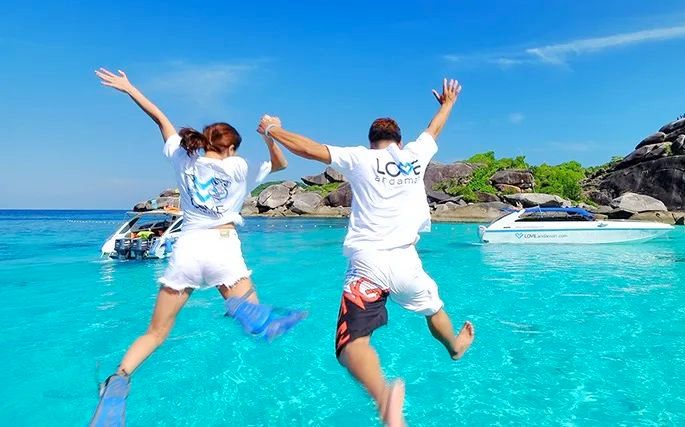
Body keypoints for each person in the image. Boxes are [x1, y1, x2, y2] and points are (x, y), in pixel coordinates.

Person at [91, 68, 303, 426]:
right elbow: (281, 164)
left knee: (156, 333)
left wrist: (129, 88)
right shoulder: (239, 167)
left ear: (205, 141)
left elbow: (160, 118)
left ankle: (118, 380)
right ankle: (246, 314)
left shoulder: (183, 158)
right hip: (223, 248)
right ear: (231, 148)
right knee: (251, 312)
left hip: (187, 250)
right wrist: (270, 133)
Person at [259, 78, 475, 426]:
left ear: (371, 141)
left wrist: (272, 129)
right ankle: (454, 346)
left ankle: (383, 397)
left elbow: (309, 149)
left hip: (367, 265)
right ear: (399, 141)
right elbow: (434, 129)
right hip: (406, 262)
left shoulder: (360, 157)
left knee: (351, 345)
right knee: (433, 309)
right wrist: (448, 103)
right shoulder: (414, 155)